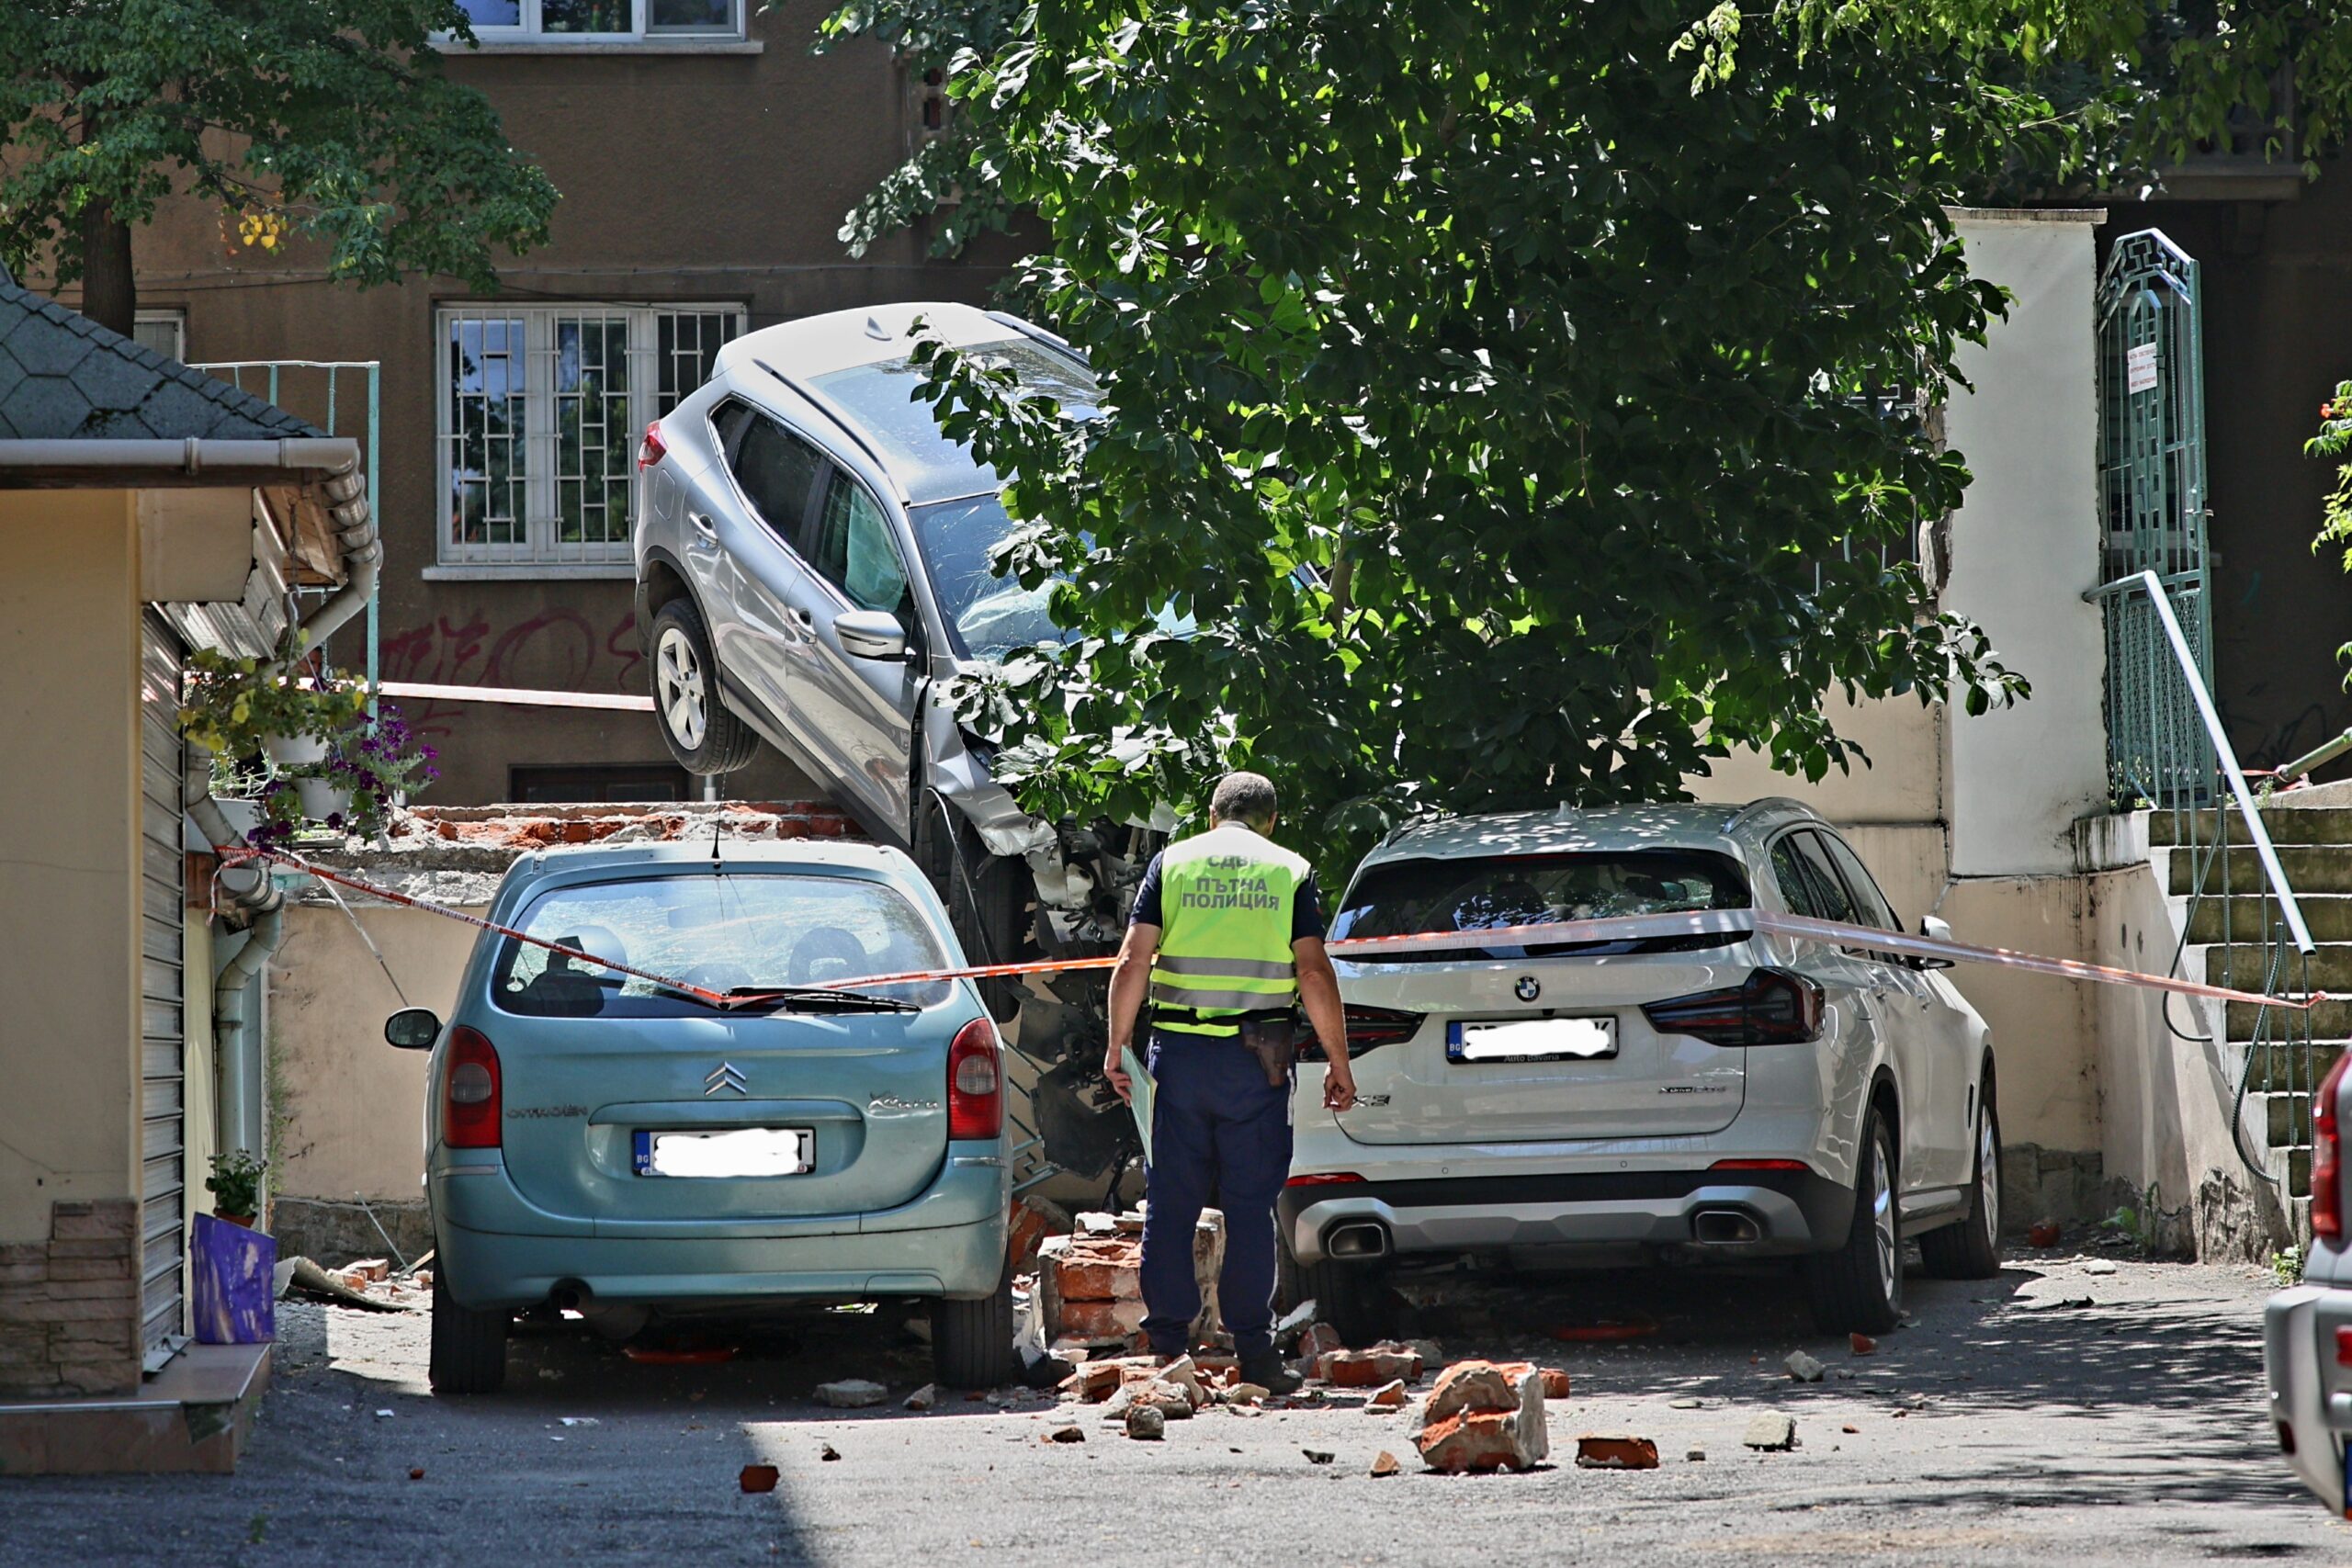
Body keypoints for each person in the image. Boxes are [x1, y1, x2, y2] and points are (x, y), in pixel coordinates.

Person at [1102, 771, 1357, 1393]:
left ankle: (1167, 1352)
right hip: (1260, 1060)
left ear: (1213, 816)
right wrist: (1339, 1060)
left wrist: (1117, 1046)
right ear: (1271, 820)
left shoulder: (1173, 862)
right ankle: (1257, 1356)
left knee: (1172, 1202)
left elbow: (1134, 959)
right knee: (1249, 1207)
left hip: (1179, 1058)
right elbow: (1314, 972)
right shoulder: (1289, 869)